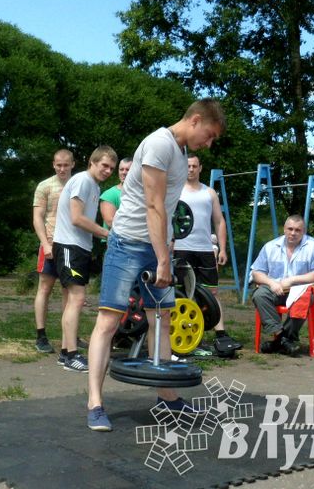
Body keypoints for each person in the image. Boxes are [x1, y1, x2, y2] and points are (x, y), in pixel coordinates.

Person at [86, 98, 226, 432]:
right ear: (195, 120)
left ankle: (167, 397)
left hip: (157, 245)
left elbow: (167, 209)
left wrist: (165, 249)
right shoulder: (159, 144)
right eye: (209, 135)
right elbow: (153, 206)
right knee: (108, 321)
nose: (208, 144)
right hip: (128, 244)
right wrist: (164, 260)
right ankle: (95, 403)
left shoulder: (178, 150)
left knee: (161, 319)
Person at [52, 146, 117, 372]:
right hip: (69, 246)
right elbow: (77, 218)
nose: (108, 171)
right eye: (104, 165)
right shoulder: (82, 181)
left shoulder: (94, 186)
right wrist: (107, 233)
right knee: (77, 299)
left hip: (80, 247)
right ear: (92, 162)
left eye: (111, 168)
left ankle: (65, 353)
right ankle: (71, 355)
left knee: (73, 300)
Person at [173, 154, 241, 357]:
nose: (191, 169)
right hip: (180, 248)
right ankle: (190, 335)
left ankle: (221, 335)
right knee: (183, 293)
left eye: (194, 166)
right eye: (187, 166)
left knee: (211, 293)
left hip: (204, 249)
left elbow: (219, 221)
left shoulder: (209, 192)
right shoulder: (175, 190)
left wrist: (222, 248)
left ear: (200, 168)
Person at [251, 214, 314, 356]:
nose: (293, 233)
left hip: (301, 290)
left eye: (298, 230)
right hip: (275, 288)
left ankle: (278, 342)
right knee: (260, 294)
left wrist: (292, 280)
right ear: (284, 229)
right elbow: (256, 273)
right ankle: (283, 339)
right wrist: (271, 283)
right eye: (290, 229)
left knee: (305, 299)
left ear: (303, 231)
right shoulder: (270, 247)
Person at [31, 149, 74, 353]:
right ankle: (41, 335)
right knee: (44, 289)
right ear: (53, 164)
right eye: (58, 165)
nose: (62, 169)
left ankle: (69, 336)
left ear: (73, 164)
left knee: (71, 292)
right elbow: (37, 217)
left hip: (72, 246)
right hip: (50, 243)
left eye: (66, 165)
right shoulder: (45, 186)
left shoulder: (79, 184)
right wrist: (45, 244)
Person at [99, 157, 132, 230]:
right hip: (117, 236)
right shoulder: (110, 194)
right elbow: (110, 222)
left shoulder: (141, 193)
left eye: (128, 170)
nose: (124, 172)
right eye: (121, 169)